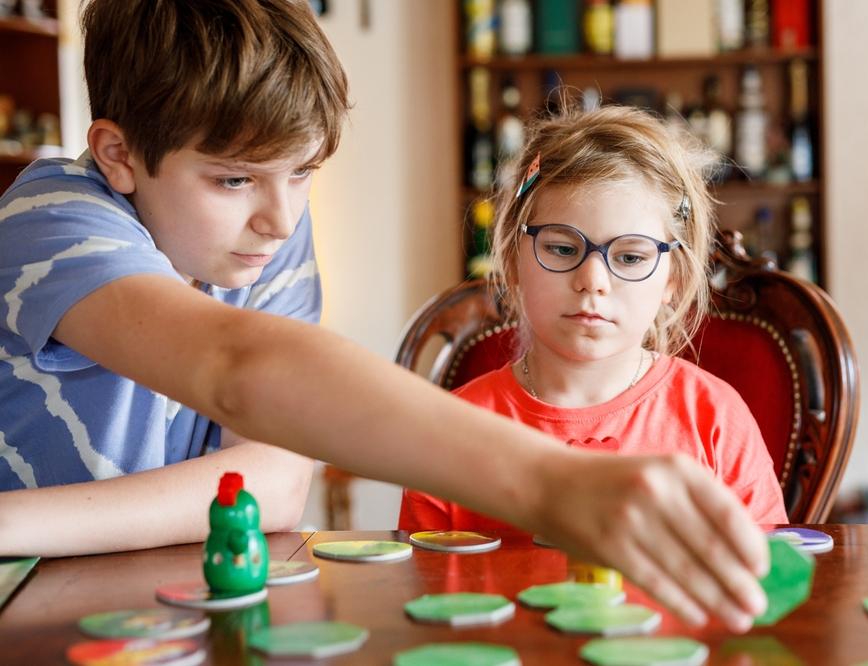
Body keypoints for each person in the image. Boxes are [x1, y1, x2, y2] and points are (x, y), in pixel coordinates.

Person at [0, 0, 769, 632]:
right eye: (235, 179)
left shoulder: (263, 236)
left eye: (303, 172)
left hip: (153, 614)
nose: (280, 217)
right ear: (118, 155)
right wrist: (550, 482)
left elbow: (272, 485)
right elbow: (238, 369)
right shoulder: (51, 220)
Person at [400, 105, 787, 536]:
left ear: (673, 277)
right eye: (563, 249)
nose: (592, 282)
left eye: (630, 256)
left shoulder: (715, 419)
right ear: (511, 259)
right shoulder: (453, 433)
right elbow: (424, 590)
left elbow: (765, 581)